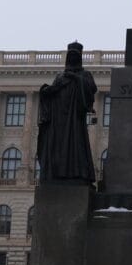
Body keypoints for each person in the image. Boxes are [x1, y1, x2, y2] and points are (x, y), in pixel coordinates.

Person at [37, 41, 98, 184]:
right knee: (59, 147)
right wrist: (46, 91)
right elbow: (52, 92)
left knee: (76, 146)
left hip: (74, 117)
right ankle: (58, 174)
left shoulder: (85, 74)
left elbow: (92, 89)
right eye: (71, 56)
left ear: (79, 58)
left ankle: (77, 174)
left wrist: (76, 78)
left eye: (75, 56)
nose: (73, 58)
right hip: (59, 119)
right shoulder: (60, 76)